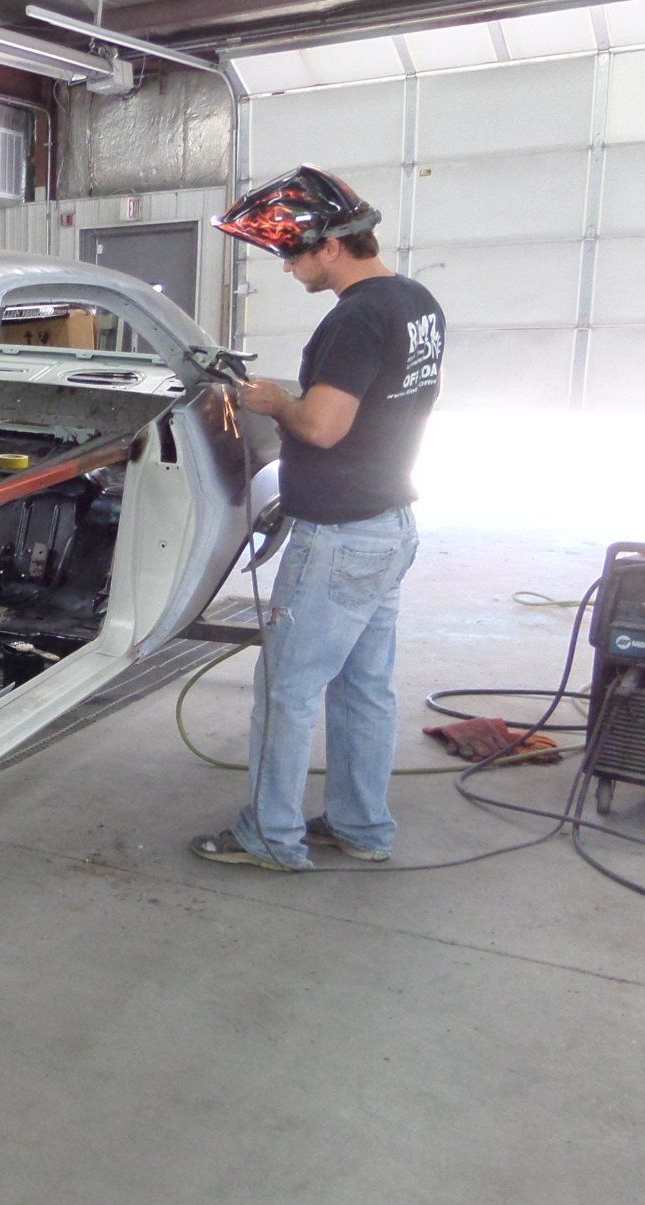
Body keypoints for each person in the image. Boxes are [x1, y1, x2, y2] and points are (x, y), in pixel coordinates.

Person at [190, 165, 446, 872]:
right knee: (364, 688)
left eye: (291, 251)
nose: (287, 265)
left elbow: (325, 427)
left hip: (338, 536)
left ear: (330, 245)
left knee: (287, 692)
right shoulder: (416, 302)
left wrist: (274, 402)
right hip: (389, 523)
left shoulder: (355, 317)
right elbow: (380, 403)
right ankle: (362, 827)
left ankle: (270, 837)